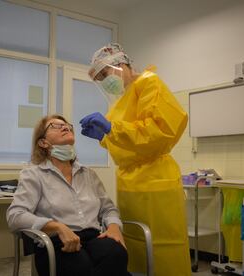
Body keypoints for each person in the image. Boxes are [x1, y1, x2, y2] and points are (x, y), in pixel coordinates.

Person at [80, 43, 191, 276]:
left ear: (121, 64)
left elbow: (159, 132)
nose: (104, 81)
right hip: (130, 182)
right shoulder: (122, 98)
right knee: (135, 244)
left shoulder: (149, 82)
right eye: (99, 78)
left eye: (104, 74)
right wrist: (104, 136)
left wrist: (112, 129)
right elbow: (124, 140)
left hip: (154, 179)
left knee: (161, 247)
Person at [6, 114, 130, 276]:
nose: (65, 127)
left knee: (116, 253)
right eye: (55, 126)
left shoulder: (89, 174)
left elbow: (108, 209)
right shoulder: (33, 175)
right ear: (43, 142)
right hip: (55, 242)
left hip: (92, 238)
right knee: (80, 266)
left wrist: (114, 227)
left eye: (67, 125)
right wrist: (58, 227)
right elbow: (15, 216)